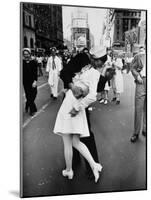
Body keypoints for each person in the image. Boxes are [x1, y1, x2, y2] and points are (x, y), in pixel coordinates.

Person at [54, 50, 107, 182]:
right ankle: (85, 165)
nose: (98, 63)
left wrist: (79, 101)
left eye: (101, 62)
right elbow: (66, 73)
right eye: (97, 60)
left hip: (75, 104)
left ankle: (80, 167)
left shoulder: (93, 71)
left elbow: (94, 92)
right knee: (75, 140)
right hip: (74, 102)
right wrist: (73, 87)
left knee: (73, 139)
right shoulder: (85, 62)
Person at [130, 45, 146, 143]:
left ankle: (145, 128)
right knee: (138, 108)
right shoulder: (139, 56)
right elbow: (132, 67)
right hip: (142, 82)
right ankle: (136, 132)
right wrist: (137, 76)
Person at [23, 48, 38, 116]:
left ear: (30, 54)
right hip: (25, 82)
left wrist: (35, 81)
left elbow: (35, 73)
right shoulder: (22, 62)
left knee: (34, 94)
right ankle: (32, 110)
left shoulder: (33, 62)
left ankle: (27, 104)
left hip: (32, 81)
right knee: (28, 95)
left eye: (27, 54)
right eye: (25, 54)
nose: (26, 55)